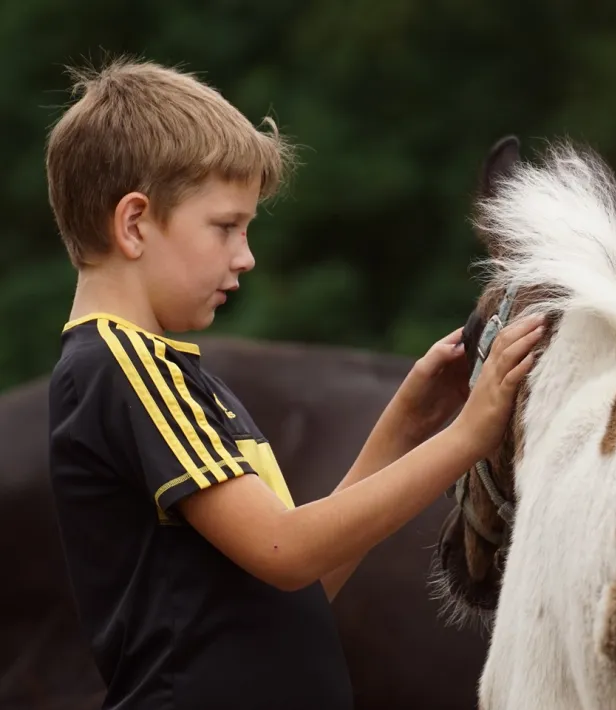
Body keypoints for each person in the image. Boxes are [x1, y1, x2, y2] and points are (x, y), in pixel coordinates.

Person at [44, 57, 544, 710]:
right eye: (226, 227)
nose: (245, 256)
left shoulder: (166, 374)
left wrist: (407, 428)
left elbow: (289, 590)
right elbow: (286, 549)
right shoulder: (124, 367)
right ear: (135, 223)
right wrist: (472, 434)